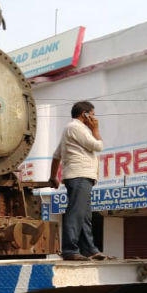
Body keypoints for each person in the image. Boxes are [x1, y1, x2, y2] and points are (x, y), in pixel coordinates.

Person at [49, 101, 114, 261]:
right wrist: (95, 129)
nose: (94, 118)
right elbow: (98, 146)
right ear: (84, 114)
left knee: (84, 215)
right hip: (79, 175)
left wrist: (53, 176)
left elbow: (56, 155)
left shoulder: (70, 129)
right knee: (76, 212)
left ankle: (90, 249)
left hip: (80, 176)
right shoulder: (76, 128)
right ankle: (70, 249)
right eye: (92, 114)